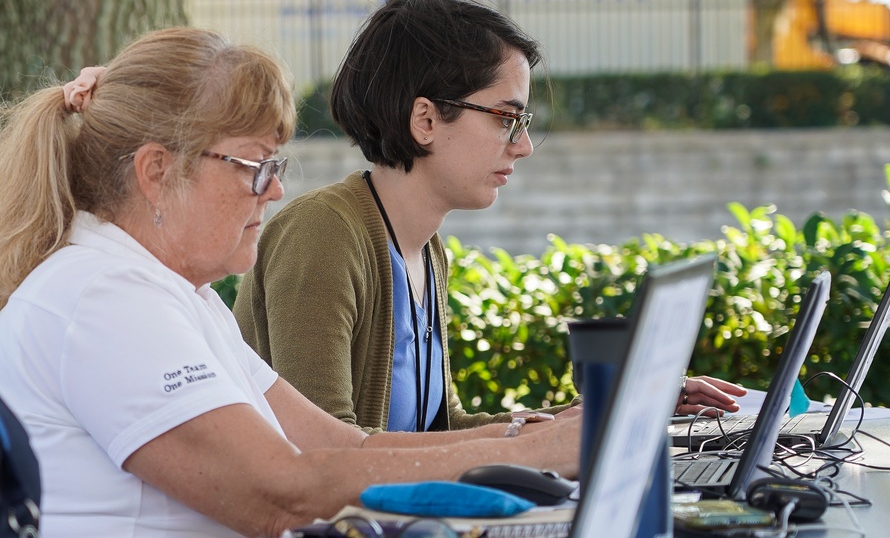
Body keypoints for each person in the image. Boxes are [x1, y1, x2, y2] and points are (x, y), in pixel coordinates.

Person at [0, 26, 580, 538]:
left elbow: (337, 446)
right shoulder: (108, 296)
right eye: (257, 166)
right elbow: (281, 493)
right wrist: (539, 450)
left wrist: (539, 441)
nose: (276, 190)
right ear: (158, 172)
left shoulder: (176, 295)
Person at [233, 0, 745, 434]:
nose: (522, 145)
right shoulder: (323, 235)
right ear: (426, 119)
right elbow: (325, 449)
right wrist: (542, 443)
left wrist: (607, 412)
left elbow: (441, 428)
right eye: (506, 118)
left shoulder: (425, 249)